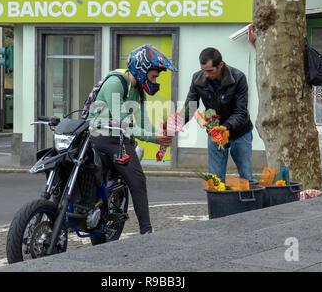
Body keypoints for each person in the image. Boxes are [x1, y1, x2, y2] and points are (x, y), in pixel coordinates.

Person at [87, 44, 176, 235]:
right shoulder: (115, 83)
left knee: (137, 181)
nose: (155, 80)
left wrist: (160, 137)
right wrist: (154, 137)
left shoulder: (138, 91)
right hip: (100, 135)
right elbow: (124, 124)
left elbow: (144, 122)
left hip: (118, 137)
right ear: (142, 69)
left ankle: (146, 230)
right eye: (154, 76)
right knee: (137, 180)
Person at [184, 47, 254, 183]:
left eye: (210, 71)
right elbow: (190, 106)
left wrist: (226, 127)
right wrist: (172, 127)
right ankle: (218, 203)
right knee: (215, 180)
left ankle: (248, 203)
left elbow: (240, 111)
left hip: (240, 132)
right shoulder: (197, 79)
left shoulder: (238, 78)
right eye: (204, 70)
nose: (206, 75)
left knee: (246, 177)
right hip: (214, 132)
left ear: (220, 65)